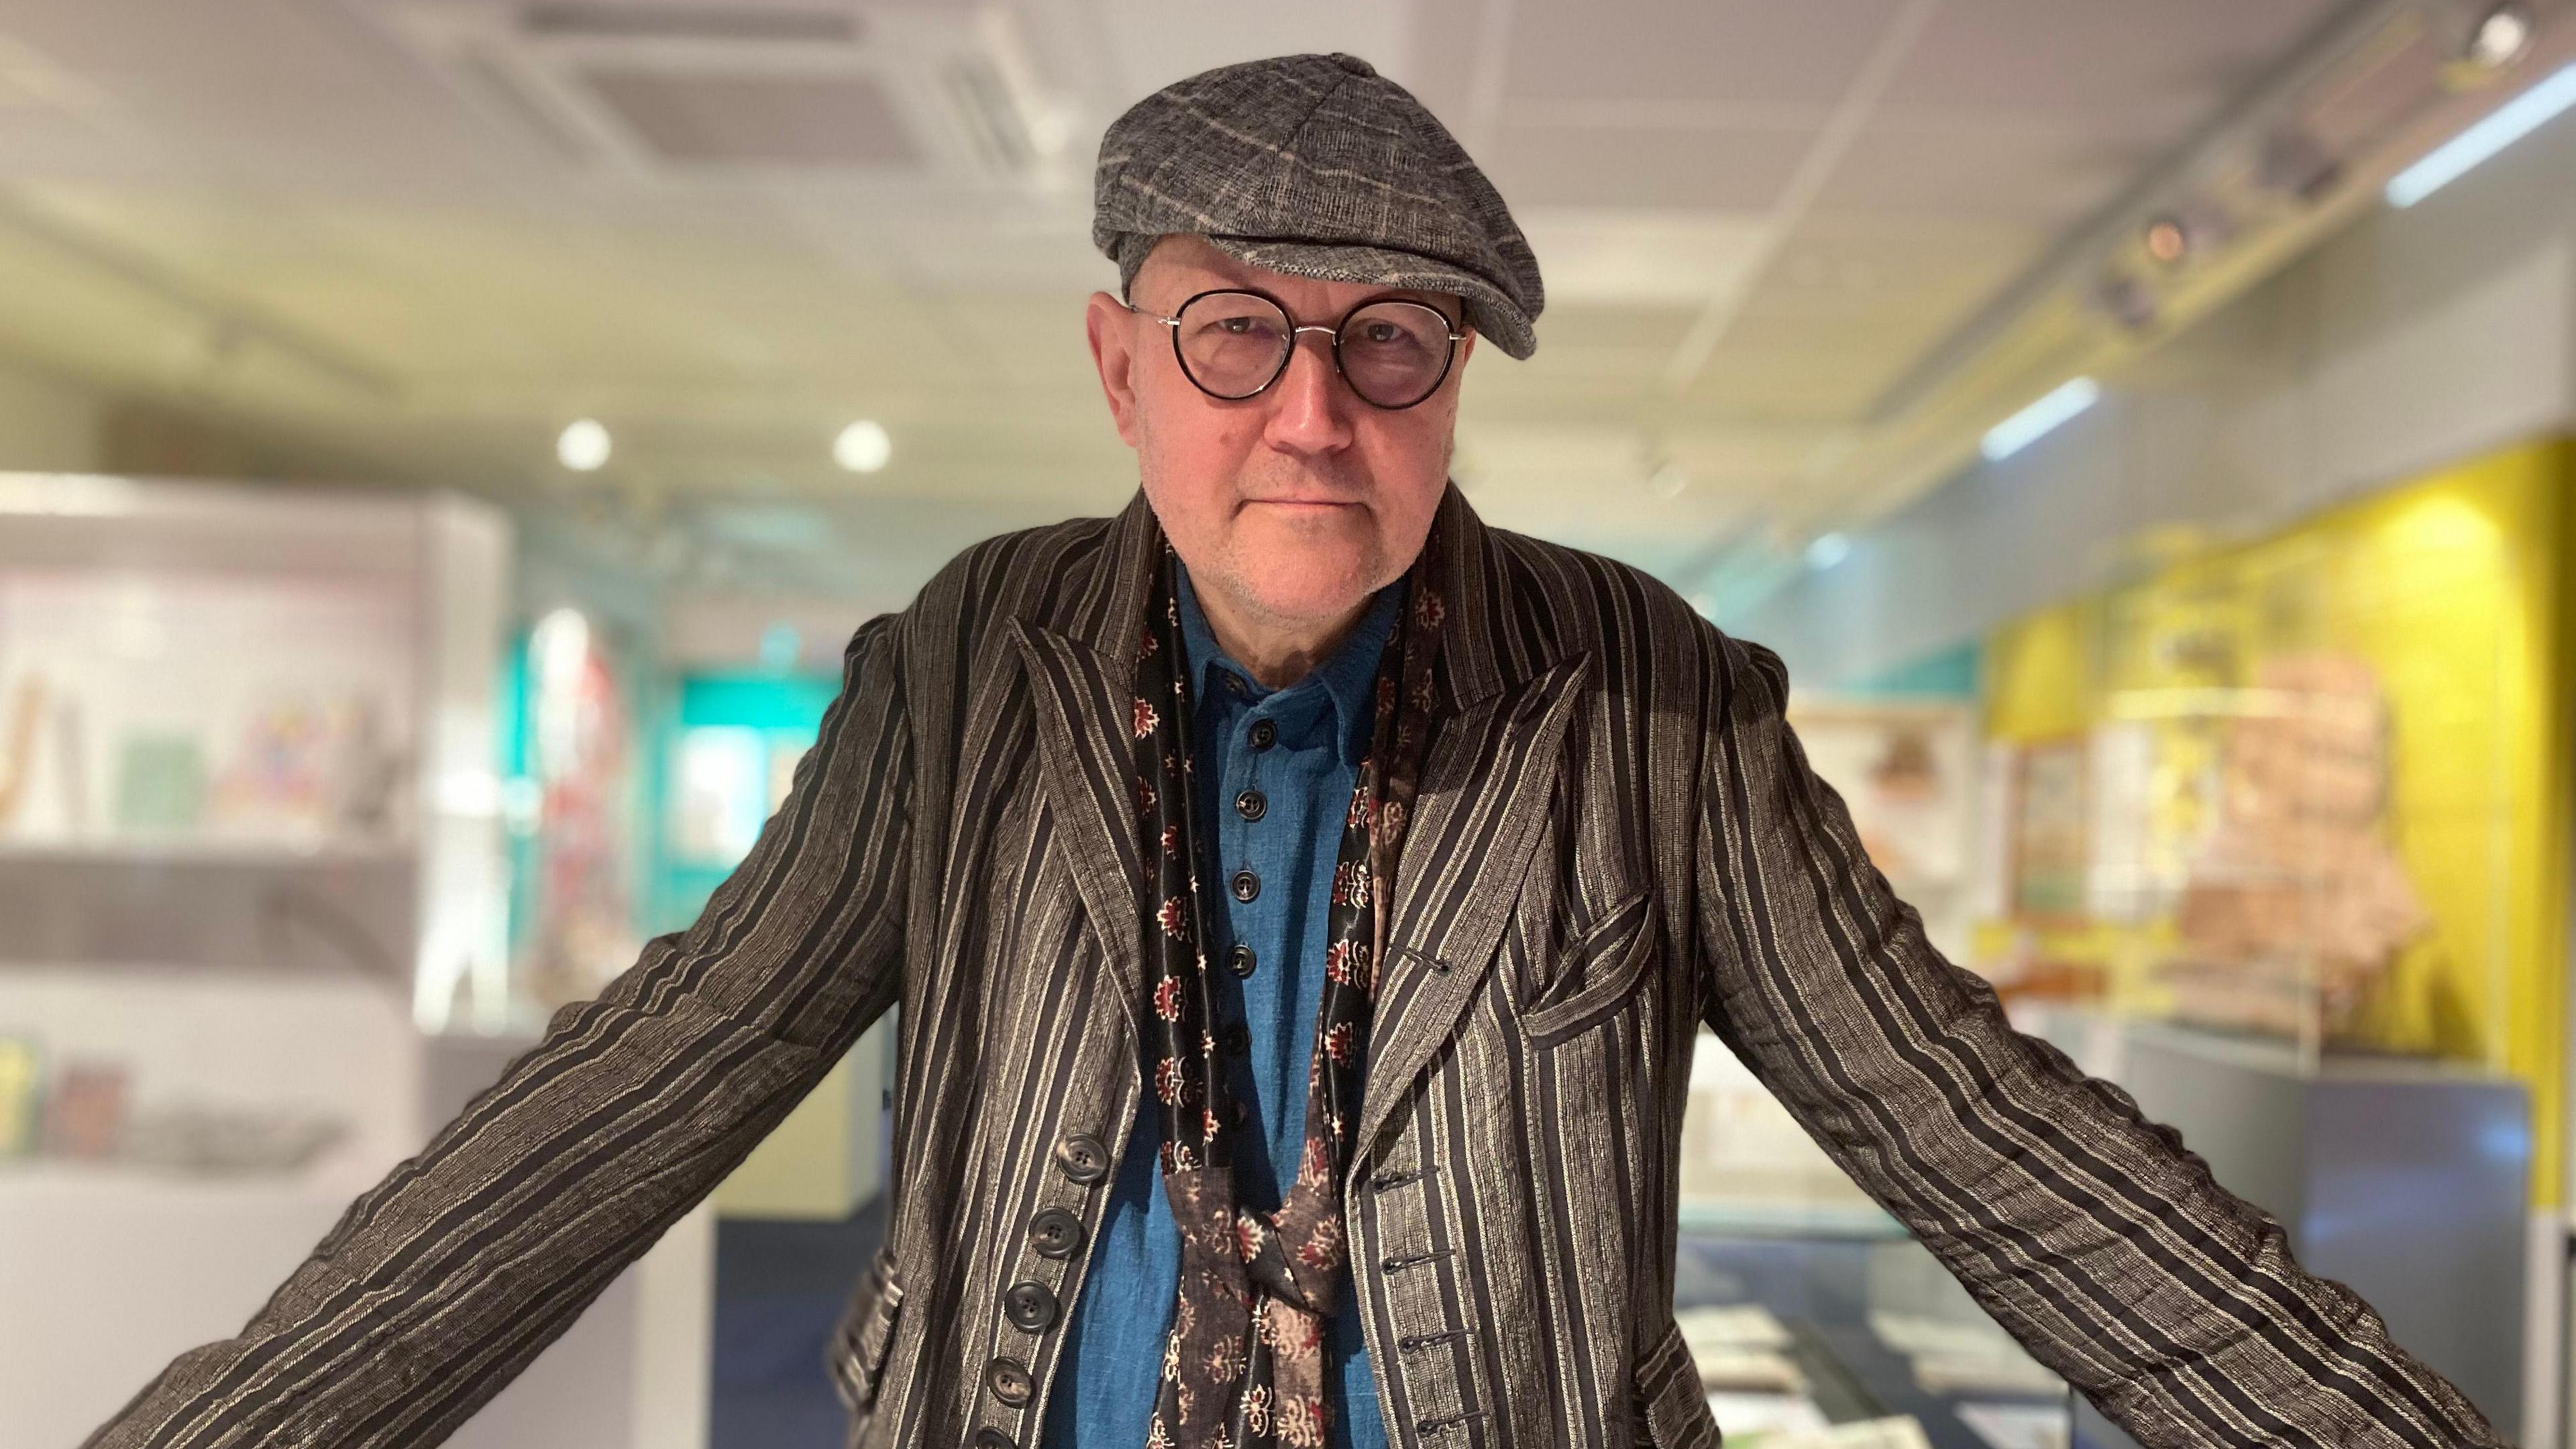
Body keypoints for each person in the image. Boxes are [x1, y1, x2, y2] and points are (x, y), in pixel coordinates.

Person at [89, 52, 2498, 1449]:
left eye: (1393, 344)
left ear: (1457, 387)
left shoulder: (1650, 702)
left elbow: (1998, 1152)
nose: (1313, 412)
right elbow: (628, 1105)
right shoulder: (961, 675)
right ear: (1122, 364)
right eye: (1239, 332)